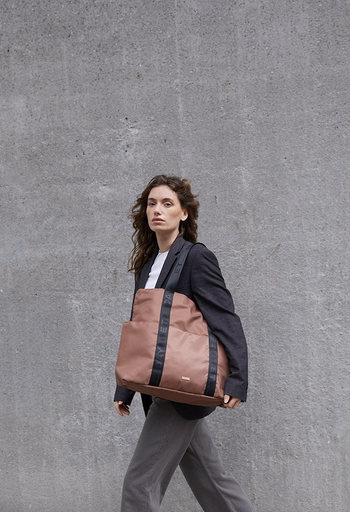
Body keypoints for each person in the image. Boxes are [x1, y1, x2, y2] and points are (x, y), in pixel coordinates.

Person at [114, 175, 254, 512]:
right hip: (162, 385)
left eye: (167, 204)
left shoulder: (195, 258)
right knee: (212, 481)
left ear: (184, 213)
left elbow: (224, 317)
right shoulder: (147, 264)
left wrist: (238, 378)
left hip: (179, 385)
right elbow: (142, 328)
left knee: (138, 485)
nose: (157, 210)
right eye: (152, 204)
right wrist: (125, 387)